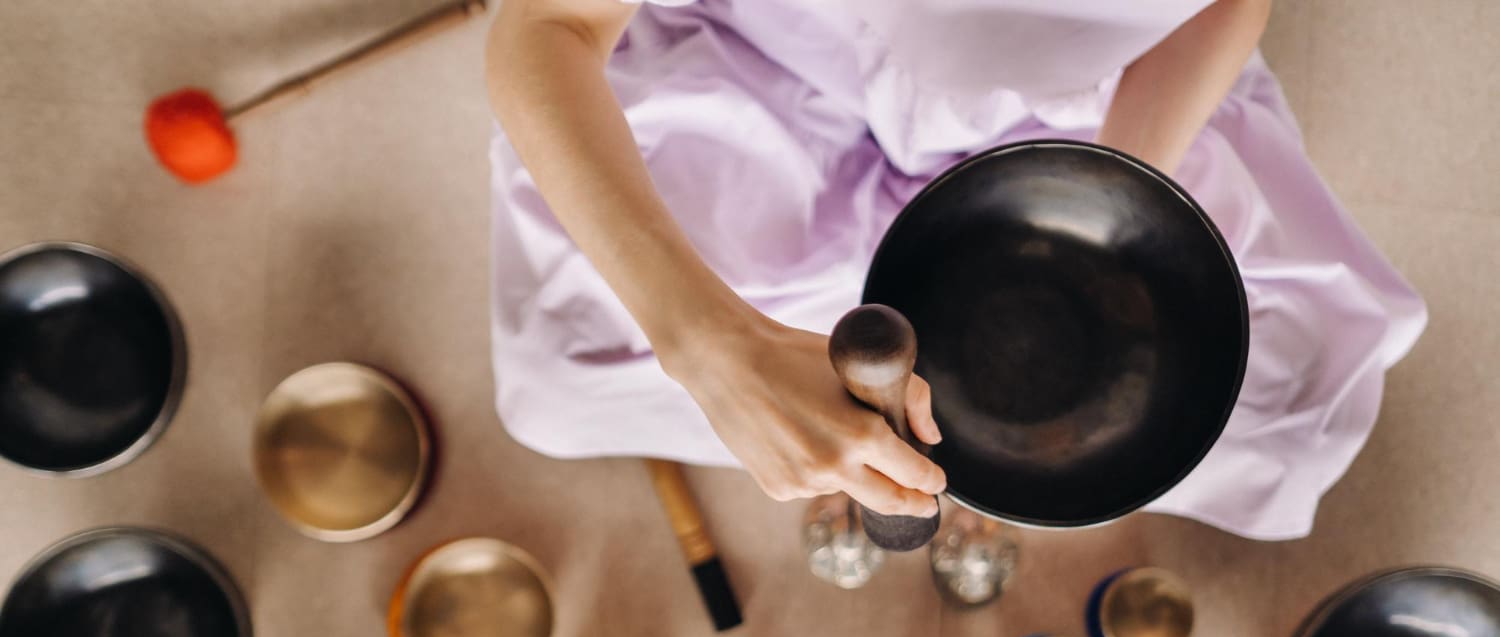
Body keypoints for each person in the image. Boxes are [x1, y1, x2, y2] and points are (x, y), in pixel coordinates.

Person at [484, 0, 1426, 540]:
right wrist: (705, 344)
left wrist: (1116, 189)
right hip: (773, 69)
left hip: (1074, 108)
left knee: (1292, 423)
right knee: (559, 374)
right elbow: (550, 24)